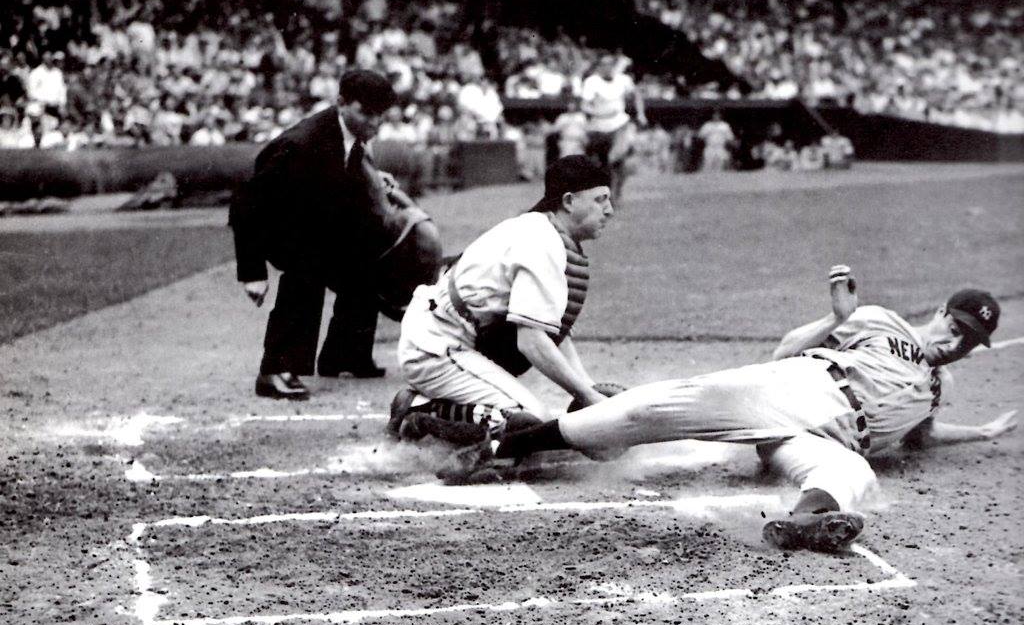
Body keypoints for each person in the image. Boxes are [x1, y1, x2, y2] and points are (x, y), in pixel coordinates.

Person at [452, 266, 1017, 551]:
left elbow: (924, 437)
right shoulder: (881, 321)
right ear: (942, 312)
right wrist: (835, 320)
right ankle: (515, 442)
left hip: (828, 442)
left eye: (970, 341)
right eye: (957, 328)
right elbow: (784, 351)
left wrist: (983, 432)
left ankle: (807, 521)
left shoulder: (935, 388)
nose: (958, 343)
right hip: (804, 386)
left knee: (854, 472)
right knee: (663, 409)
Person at [388, 156, 617, 469]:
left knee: (534, 430)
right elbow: (532, 343)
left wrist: (588, 389)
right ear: (569, 201)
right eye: (600, 199)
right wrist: (589, 398)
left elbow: (555, 333)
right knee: (531, 427)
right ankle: (420, 411)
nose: (609, 210)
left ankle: (439, 408)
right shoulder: (542, 243)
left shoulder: (544, 231)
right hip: (437, 346)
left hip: (453, 337)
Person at [229, 69, 441, 400]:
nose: (374, 122)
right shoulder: (302, 142)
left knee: (364, 262)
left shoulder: (351, 136)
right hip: (282, 230)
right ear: (341, 103)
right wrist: (252, 272)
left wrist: (375, 179)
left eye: (379, 115)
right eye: (366, 113)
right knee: (307, 272)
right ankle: (275, 370)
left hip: (317, 225)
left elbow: (340, 173)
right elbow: (246, 202)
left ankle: (344, 354)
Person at [580, 54, 647, 204]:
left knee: (616, 158)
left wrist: (641, 114)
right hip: (598, 128)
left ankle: (617, 191)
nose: (608, 68)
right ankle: (606, 192)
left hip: (620, 124)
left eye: (611, 65)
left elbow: (636, 94)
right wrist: (599, 113)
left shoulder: (623, 80)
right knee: (601, 164)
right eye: (604, 65)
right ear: (599, 67)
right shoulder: (592, 82)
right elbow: (585, 105)